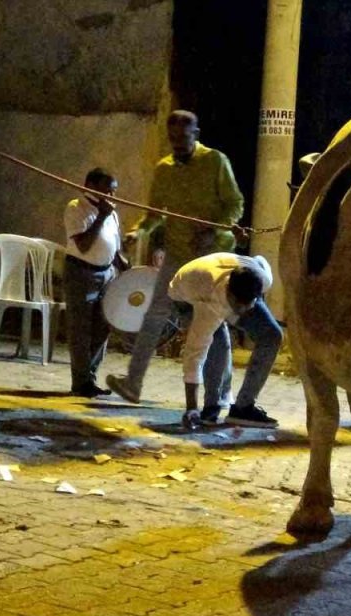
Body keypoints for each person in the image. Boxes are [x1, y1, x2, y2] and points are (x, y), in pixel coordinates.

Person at [107, 110, 245, 403]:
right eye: (173, 139)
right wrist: (138, 232)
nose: (177, 144)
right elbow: (154, 215)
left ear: (196, 133)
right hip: (178, 253)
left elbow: (235, 204)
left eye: (183, 138)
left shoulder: (215, 162)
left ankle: (221, 393)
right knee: (154, 315)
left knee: (214, 323)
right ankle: (133, 383)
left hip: (212, 255)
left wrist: (212, 229)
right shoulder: (164, 169)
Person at [168, 252, 282, 429]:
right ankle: (210, 409)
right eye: (239, 306)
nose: (244, 311)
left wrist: (249, 308)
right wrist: (191, 407)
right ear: (230, 294)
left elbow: (260, 260)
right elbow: (194, 355)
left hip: (224, 274)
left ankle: (243, 408)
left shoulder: (263, 279)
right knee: (217, 344)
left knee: (272, 334)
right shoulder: (210, 305)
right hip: (185, 293)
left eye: (249, 304)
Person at [63, 168, 127, 397]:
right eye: (108, 189)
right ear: (90, 185)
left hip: (107, 273)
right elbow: (83, 245)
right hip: (82, 273)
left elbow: (116, 248)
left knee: (103, 326)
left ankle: (89, 377)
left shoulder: (112, 213)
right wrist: (101, 215)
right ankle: (80, 383)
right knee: (81, 330)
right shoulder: (76, 208)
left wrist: (127, 270)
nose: (112, 195)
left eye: (114, 190)